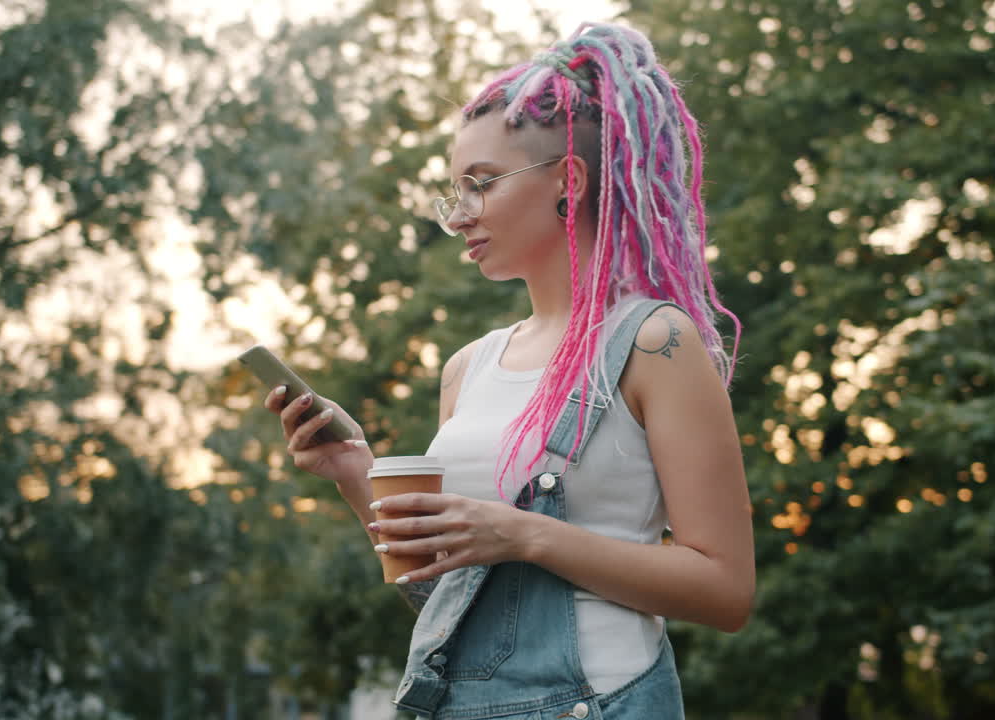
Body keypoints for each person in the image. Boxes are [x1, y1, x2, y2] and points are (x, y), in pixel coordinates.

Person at [265, 22, 754, 718]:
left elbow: (726, 590)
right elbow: (450, 599)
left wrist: (526, 534)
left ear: (570, 179)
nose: (459, 215)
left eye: (482, 184)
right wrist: (354, 470)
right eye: (454, 190)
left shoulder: (655, 342)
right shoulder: (468, 368)